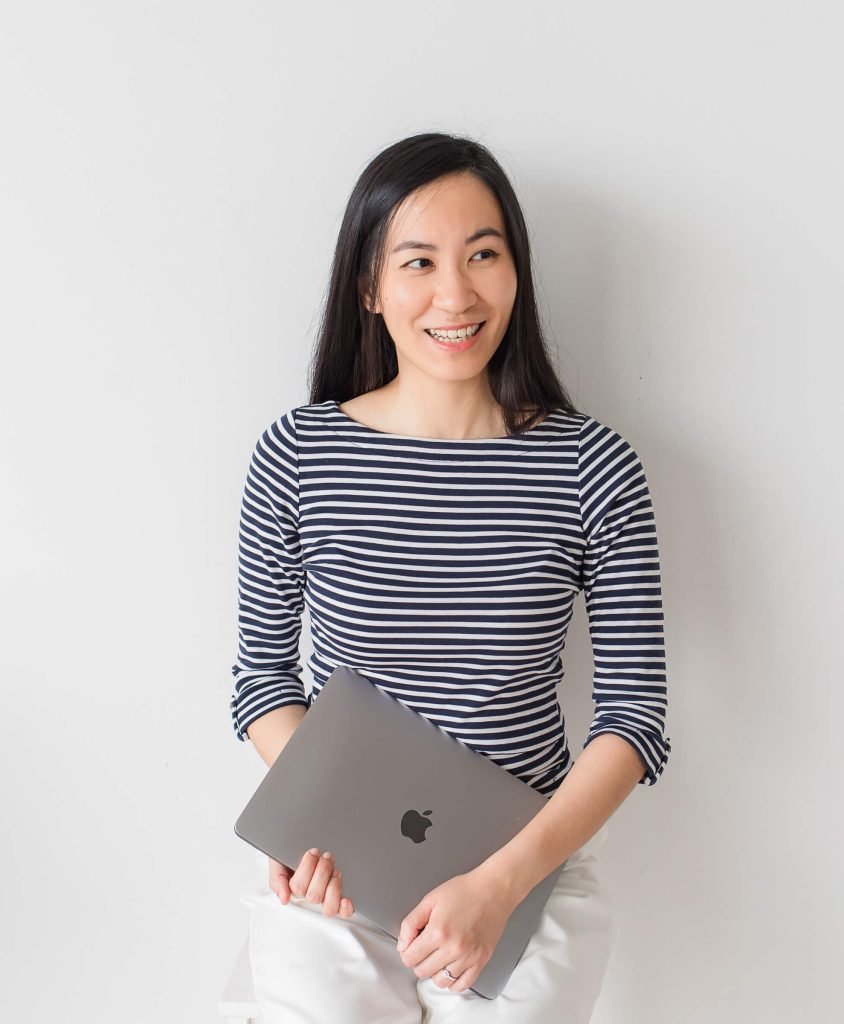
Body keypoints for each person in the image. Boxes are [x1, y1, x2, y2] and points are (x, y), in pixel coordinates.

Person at [229, 131, 672, 1022]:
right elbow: (262, 680)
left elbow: (634, 720)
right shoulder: (298, 455)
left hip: (525, 874)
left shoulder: (593, 466)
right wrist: (320, 813)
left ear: (517, 270)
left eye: (483, 255)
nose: (455, 294)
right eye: (418, 262)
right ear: (369, 286)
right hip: (336, 875)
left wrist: (498, 885)